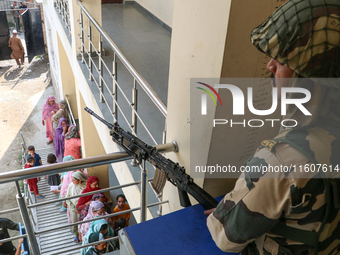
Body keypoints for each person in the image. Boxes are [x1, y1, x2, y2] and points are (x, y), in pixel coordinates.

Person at [206, 1, 340, 254]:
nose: (270, 65)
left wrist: (228, 212)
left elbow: (226, 238)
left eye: (283, 60)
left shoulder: (281, 159)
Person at [64, 171, 88, 243]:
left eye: (74, 180)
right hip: (73, 208)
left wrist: (81, 208)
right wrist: (74, 208)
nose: (72, 181)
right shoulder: (71, 185)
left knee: (84, 222)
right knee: (74, 222)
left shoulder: (86, 187)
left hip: (83, 208)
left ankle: (84, 235)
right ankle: (76, 235)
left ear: (80, 180)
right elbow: (67, 197)